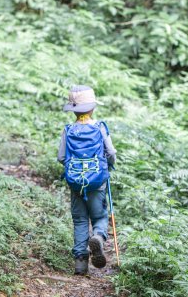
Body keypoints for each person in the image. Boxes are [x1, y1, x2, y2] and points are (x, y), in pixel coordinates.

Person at [57, 85, 117, 275]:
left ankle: (80, 264)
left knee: (80, 220)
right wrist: (107, 165)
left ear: (73, 110)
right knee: (99, 216)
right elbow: (111, 153)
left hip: (76, 184)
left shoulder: (68, 130)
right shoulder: (100, 128)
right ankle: (98, 237)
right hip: (97, 182)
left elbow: (61, 157)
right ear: (92, 108)